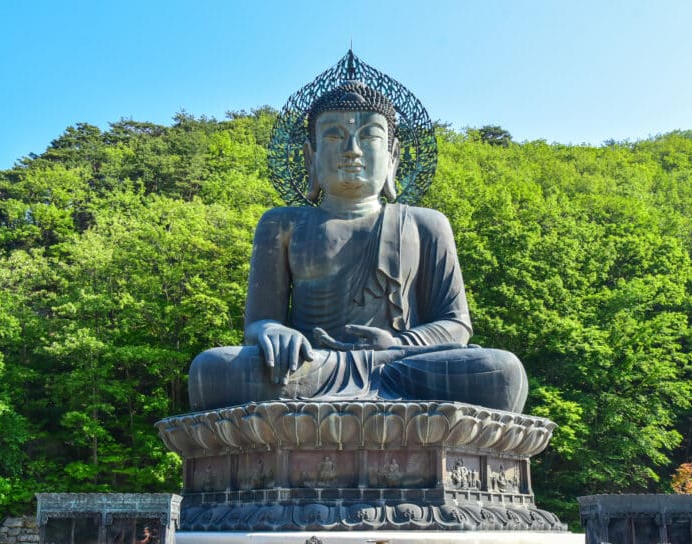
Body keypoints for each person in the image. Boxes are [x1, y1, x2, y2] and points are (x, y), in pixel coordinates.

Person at [188, 81, 527, 413]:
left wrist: (398, 344)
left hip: (400, 364)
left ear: (393, 156)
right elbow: (259, 322)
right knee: (212, 370)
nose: (353, 149)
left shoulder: (426, 223)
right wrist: (273, 331)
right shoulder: (282, 223)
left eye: (370, 136)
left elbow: (456, 325)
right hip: (312, 366)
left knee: (502, 371)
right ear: (311, 155)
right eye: (334, 135)